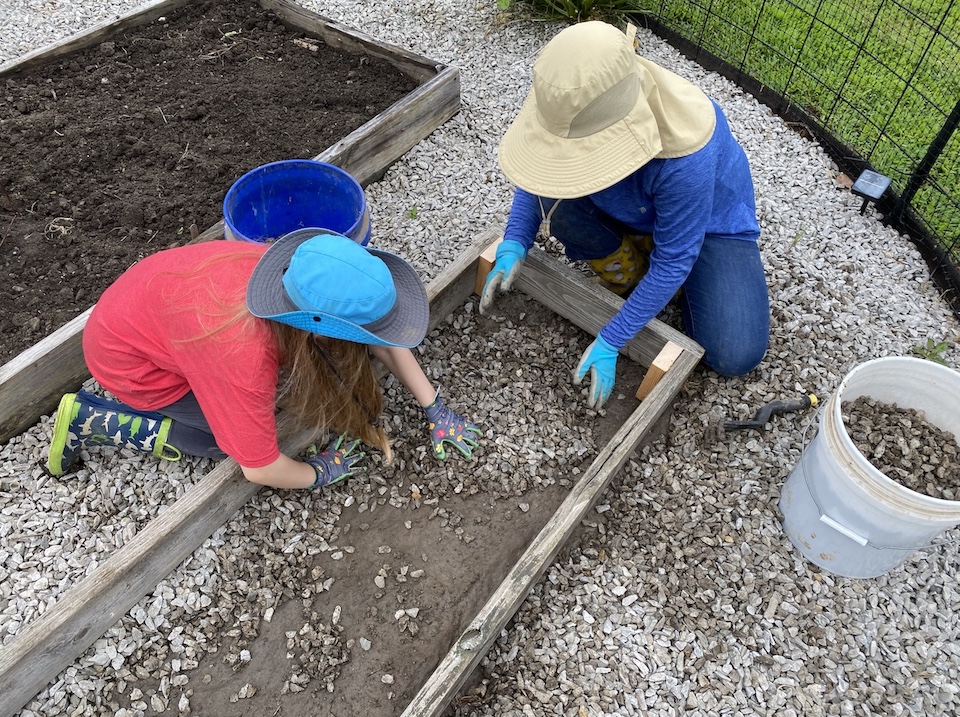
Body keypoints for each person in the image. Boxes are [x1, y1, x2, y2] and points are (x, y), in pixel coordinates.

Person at [47, 229, 481, 489]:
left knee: (269, 398)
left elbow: (381, 337)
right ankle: (93, 419)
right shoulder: (241, 354)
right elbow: (260, 467)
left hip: (151, 307)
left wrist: (434, 406)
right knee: (224, 443)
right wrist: (319, 472)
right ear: (311, 325)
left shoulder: (298, 274)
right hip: (132, 362)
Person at [481, 21, 770, 409]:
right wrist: (515, 240)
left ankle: (659, 264)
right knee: (563, 213)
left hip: (710, 226)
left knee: (735, 353)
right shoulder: (570, 98)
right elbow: (542, 172)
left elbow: (673, 260)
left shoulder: (686, 154)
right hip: (629, 208)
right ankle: (632, 274)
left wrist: (613, 338)